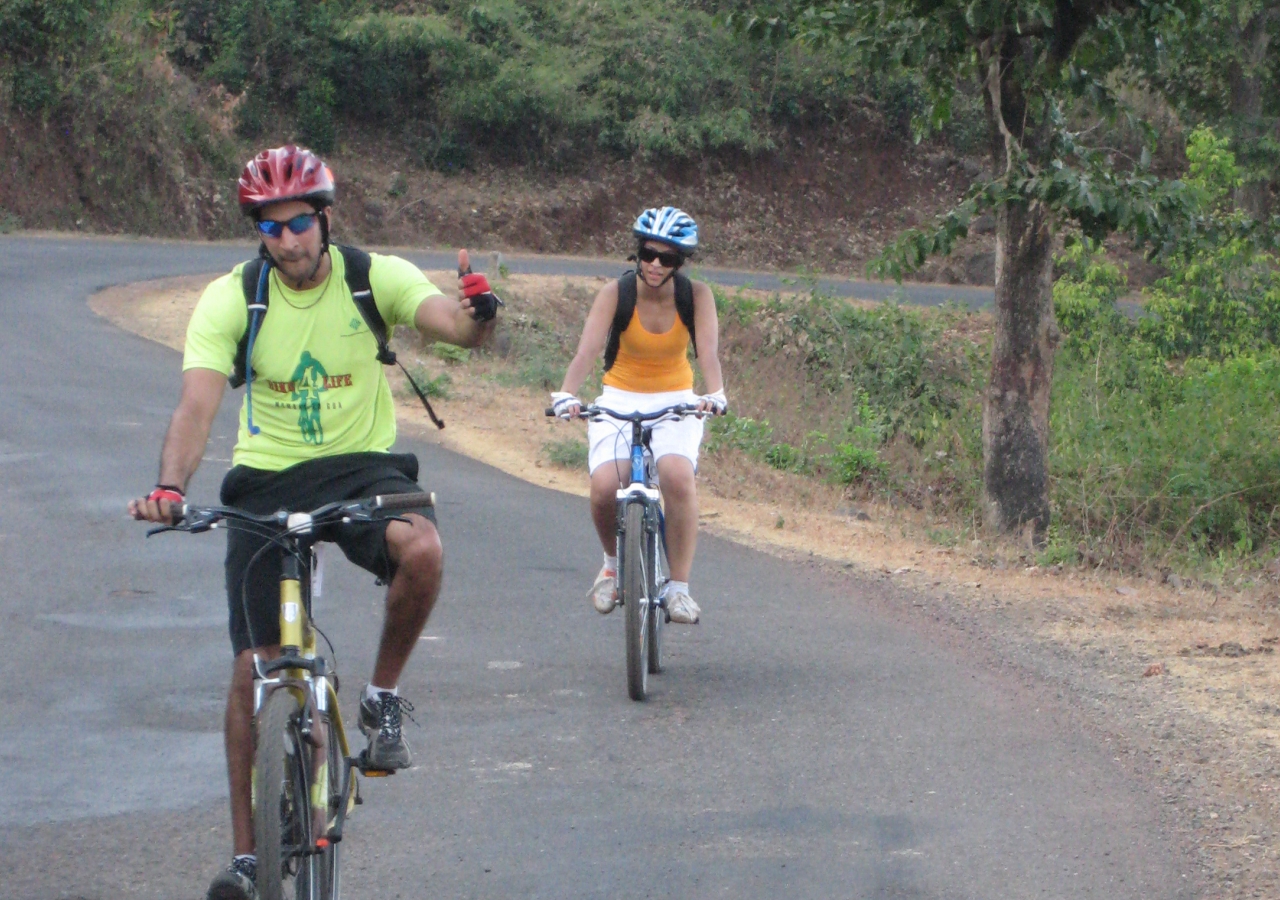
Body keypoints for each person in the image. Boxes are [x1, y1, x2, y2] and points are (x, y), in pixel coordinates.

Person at [128, 145, 500, 900]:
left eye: (301, 222)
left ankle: (382, 697)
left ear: (325, 219)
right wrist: (170, 485)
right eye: (272, 228)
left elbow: (451, 328)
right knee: (251, 669)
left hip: (362, 463)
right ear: (258, 233)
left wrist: (477, 313)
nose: (289, 240)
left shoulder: (373, 276)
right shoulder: (234, 297)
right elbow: (197, 404)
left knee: (420, 547)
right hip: (265, 476)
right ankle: (246, 855)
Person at [551, 206, 726, 625]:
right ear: (637, 253)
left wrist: (716, 394)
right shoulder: (616, 293)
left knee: (676, 476)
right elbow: (587, 351)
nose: (654, 264)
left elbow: (709, 353)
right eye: (648, 253)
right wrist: (566, 394)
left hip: (675, 402)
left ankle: (678, 589)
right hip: (619, 398)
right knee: (604, 486)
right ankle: (611, 565)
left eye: (666, 258)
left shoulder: (695, 296)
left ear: (679, 263)